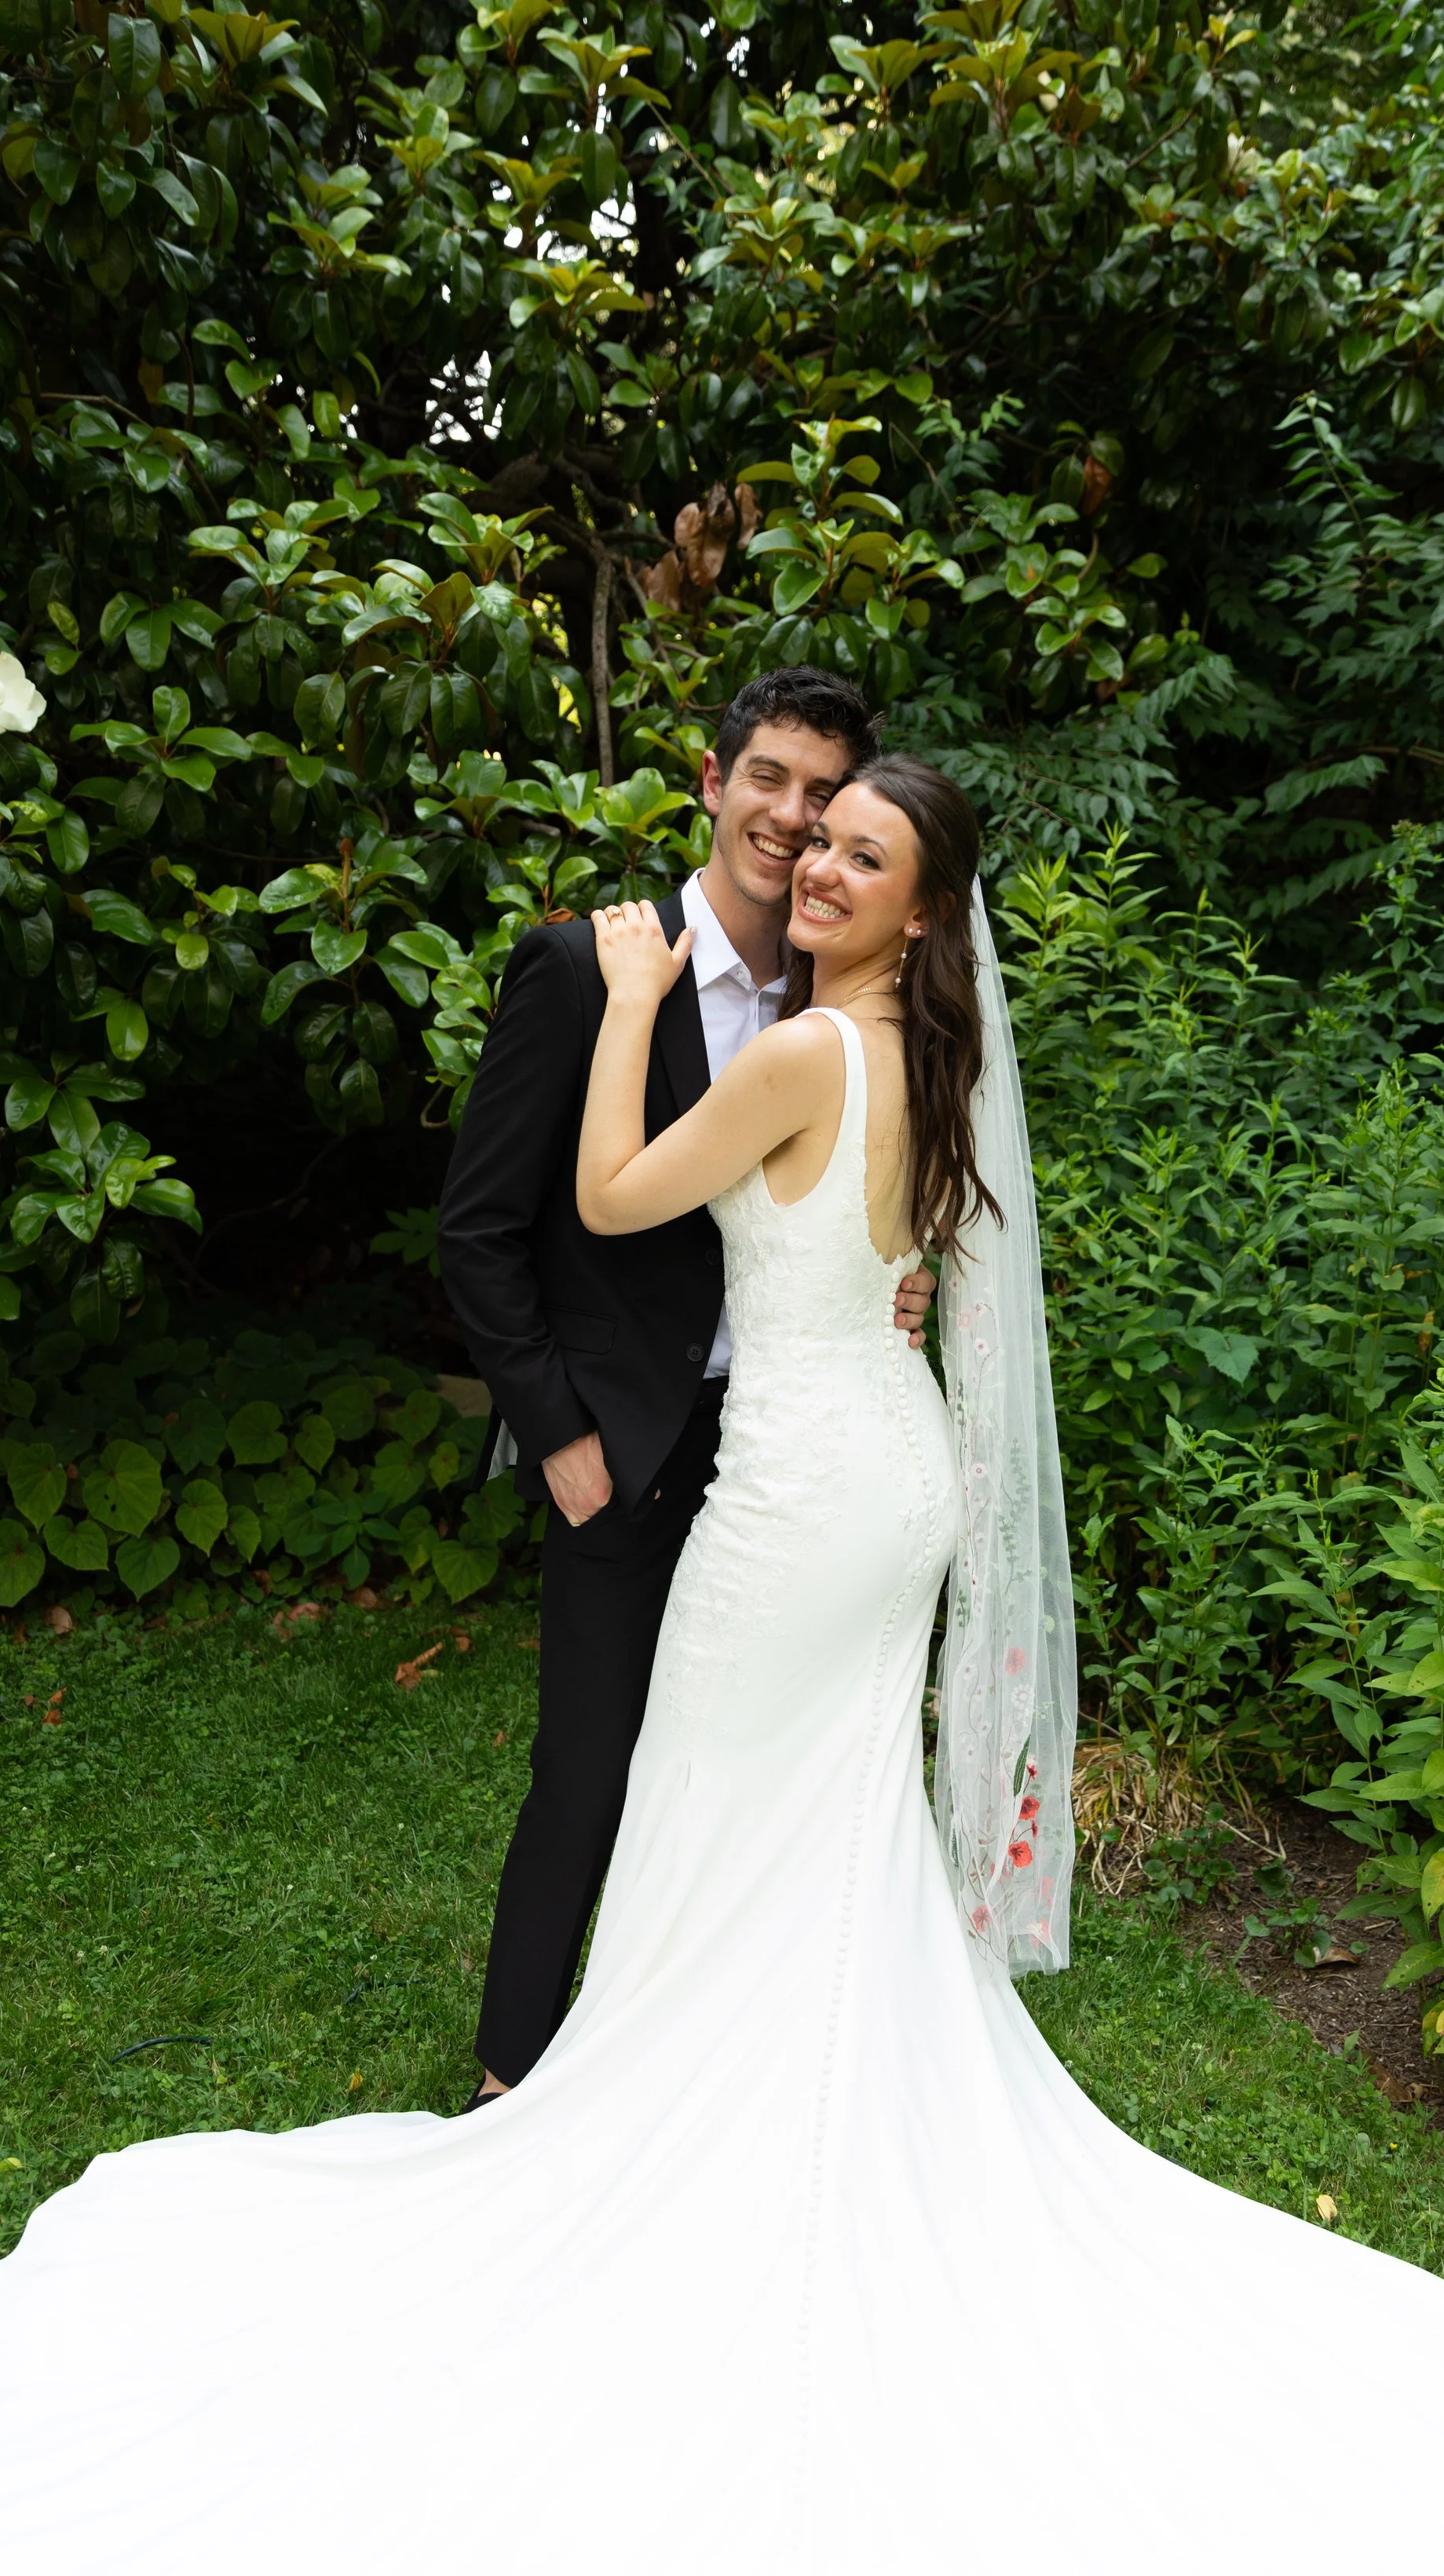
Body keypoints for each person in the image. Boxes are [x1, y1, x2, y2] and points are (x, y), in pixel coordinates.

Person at [0, 758, 1444, 2576]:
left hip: (793, 1514)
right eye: (816, 836)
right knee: (807, 1840)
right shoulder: (929, 1070)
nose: (820, 861)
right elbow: (910, 1298)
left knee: (706, 1820)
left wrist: (632, 989)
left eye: (862, 853)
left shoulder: (780, 1047)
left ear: (908, 910)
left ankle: (690, 2144)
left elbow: (611, 1189)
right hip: (890, 1481)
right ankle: (802, 2102)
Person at [437, 664, 934, 2104]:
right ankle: (511, 2075)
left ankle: (727, 2071)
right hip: (623, 1439)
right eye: (767, 779)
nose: (793, 820)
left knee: (764, 1773)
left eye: (825, 797)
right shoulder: (592, 967)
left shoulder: (842, 982)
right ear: (713, 784)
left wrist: (900, 1275)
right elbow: (478, 1232)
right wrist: (555, 1433)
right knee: (591, 1771)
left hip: (790, 1445)